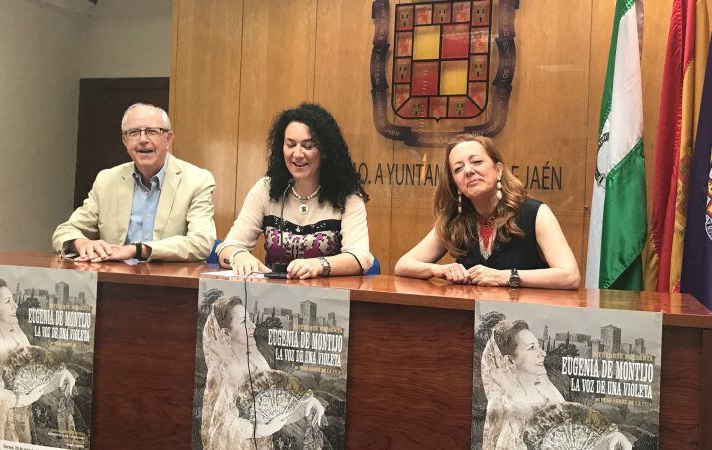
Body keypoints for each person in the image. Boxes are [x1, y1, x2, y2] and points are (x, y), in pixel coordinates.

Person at [395, 134, 580, 289]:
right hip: (469, 323)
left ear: (498, 170)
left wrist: (505, 277)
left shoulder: (535, 213)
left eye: (476, 161)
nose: (468, 171)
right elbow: (403, 265)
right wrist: (441, 270)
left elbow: (570, 276)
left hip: (527, 320)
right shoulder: (455, 220)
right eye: (458, 168)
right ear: (455, 184)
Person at [217, 103, 373, 279]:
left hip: (327, 297)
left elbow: (360, 258)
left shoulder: (347, 195)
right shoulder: (266, 189)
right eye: (290, 145)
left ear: (325, 151)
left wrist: (319, 265)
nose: (297, 154)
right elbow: (226, 248)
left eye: (308, 146)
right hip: (272, 296)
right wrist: (239, 256)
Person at [52, 103, 216, 262]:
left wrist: (136, 250)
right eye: (134, 132)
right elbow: (65, 230)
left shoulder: (197, 180)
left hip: (170, 284)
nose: (143, 139)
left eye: (152, 131)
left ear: (168, 139)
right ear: (125, 141)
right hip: (114, 281)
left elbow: (201, 243)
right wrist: (83, 243)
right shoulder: (107, 180)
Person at [481, 320, 632, 450]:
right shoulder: (508, 410)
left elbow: (572, 439)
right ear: (509, 361)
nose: (543, 353)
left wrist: (610, 439)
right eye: (531, 348)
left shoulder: (546, 391)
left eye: (539, 346)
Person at [201, 297, 325, 449]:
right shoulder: (221, 371)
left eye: (250, 319)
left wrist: (307, 402)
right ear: (225, 332)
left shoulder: (256, 359)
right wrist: (261, 430)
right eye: (243, 322)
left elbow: (276, 401)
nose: (252, 325)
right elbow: (219, 423)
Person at [0, 279, 76, 442]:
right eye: (8, 302)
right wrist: (22, 399)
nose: (16, 306)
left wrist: (61, 376)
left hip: (23, 421)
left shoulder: (18, 336)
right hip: (4, 426)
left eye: (13, 300)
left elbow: (33, 378)